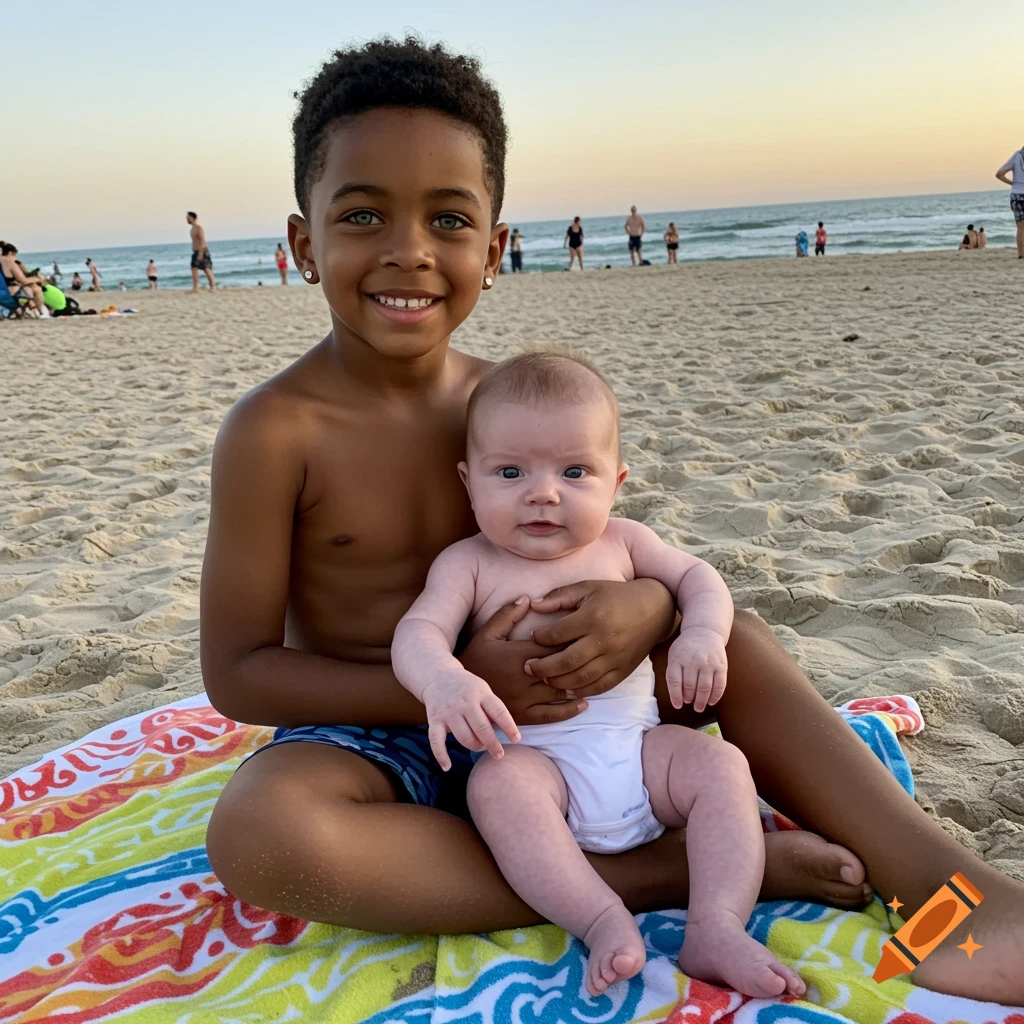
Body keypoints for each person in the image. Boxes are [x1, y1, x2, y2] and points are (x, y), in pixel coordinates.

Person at [200, 37, 1024, 1009]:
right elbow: (240, 669)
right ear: (304, 245)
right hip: (383, 732)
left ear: (495, 249)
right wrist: (455, 687)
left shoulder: (508, 405)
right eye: (363, 213)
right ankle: (666, 875)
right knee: (259, 831)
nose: (408, 249)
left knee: (734, 638)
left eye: (449, 218)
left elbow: (607, 542)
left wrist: (638, 611)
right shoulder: (275, 430)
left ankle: (958, 888)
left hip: (580, 712)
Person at [393, 351, 805, 999]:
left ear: (616, 482)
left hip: (642, 757)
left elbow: (700, 578)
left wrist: (701, 633)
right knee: (498, 789)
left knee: (722, 766)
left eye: (575, 471)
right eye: (510, 472)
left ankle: (717, 926)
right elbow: (417, 634)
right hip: (539, 765)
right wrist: (445, 681)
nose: (543, 492)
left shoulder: (624, 542)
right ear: (468, 483)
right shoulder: (468, 564)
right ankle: (602, 918)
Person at [1, 243, 49, 316]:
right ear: (10, 253)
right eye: (14, 255)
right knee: (37, 289)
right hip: (10, 292)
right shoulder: (10, 262)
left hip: (3, 289)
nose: (15, 258)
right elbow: (23, 280)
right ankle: (41, 312)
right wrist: (38, 279)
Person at [996, 145, 1024, 259]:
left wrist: (1013, 184)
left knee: (1021, 227)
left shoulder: (1017, 156)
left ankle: (1021, 255)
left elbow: (999, 174)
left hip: (1017, 195)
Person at [187, 211, 217, 291]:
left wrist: (201, 253)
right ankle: (196, 287)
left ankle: (213, 287)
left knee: (206, 268)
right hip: (195, 252)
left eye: (188, 217)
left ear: (193, 218)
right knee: (193, 268)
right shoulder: (192, 229)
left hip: (202, 251)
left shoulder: (199, 228)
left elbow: (202, 241)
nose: (187, 219)